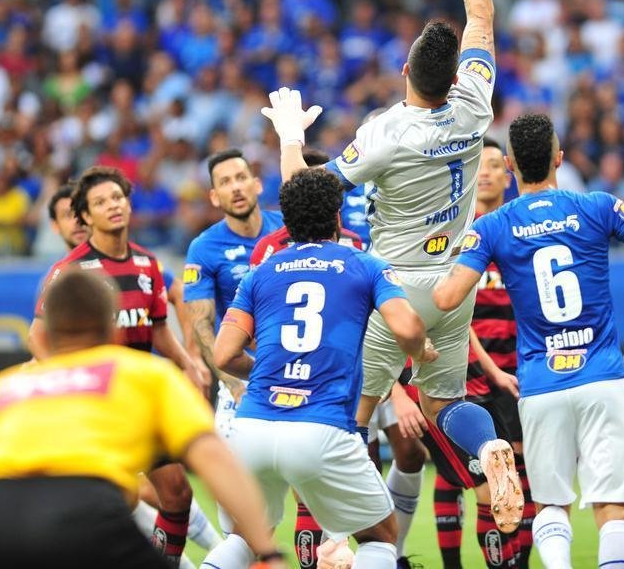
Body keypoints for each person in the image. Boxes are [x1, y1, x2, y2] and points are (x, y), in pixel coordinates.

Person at [261, 0, 523, 535]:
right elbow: (482, 18)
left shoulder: (385, 135)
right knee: (446, 403)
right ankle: (488, 449)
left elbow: (303, 197)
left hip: (395, 287)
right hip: (454, 280)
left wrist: (292, 137)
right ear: (457, 72)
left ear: (405, 71)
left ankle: (332, 540)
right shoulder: (475, 105)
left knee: (350, 409)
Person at [0, 267, 286, 569]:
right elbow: (215, 461)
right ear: (113, 333)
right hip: (88, 520)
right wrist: (266, 552)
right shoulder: (143, 375)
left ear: (43, 337)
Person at [433, 113, 624, 569]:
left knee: (551, 507)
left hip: (541, 381)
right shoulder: (598, 206)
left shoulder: (493, 226)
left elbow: (447, 297)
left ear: (509, 165)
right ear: (560, 159)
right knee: (613, 509)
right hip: (603, 376)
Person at [205, 168, 436, 569]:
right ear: (338, 217)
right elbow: (407, 325)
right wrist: (421, 350)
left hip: (252, 425)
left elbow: (223, 355)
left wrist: (265, 375)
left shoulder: (260, 272)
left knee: (244, 536)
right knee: (379, 536)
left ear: (287, 223)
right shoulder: (364, 264)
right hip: (321, 426)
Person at [29, 166, 212, 566]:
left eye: (117, 197)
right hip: (95, 408)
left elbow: (159, 330)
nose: (112, 206)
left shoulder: (148, 264)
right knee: (116, 502)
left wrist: (188, 362)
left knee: (177, 494)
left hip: (138, 403)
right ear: (86, 217)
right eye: (100, 202)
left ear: (128, 204)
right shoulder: (70, 271)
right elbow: (37, 338)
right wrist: (73, 380)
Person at [426, 138, 535, 568]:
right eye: (480, 165)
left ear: (509, 176)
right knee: (466, 479)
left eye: (495, 165)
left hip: (516, 373)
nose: (486, 172)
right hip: (464, 379)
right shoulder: (456, 235)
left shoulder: (517, 232)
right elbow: (448, 312)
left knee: (517, 481)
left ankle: (517, 562)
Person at [181, 148, 285, 437]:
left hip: (294, 362)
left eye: (241, 177)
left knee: (301, 467)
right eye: (225, 182)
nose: (236, 187)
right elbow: (201, 323)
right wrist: (235, 386)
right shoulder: (204, 247)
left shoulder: (288, 229)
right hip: (244, 370)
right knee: (239, 474)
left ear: (257, 184)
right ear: (214, 197)